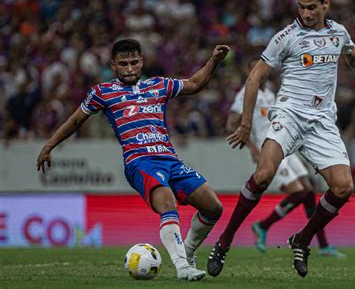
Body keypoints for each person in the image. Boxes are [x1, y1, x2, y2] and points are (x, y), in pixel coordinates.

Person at [208, 0, 355, 278]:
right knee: (263, 174)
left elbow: (353, 57)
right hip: (289, 114)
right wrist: (246, 124)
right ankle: (224, 241)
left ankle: (302, 239)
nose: (306, 13)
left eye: (312, 7)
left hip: (322, 120)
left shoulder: (339, 33)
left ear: (326, 4)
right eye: (301, 7)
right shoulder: (286, 36)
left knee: (344, 187)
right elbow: (253, 78)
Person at [36, 39, 230, 281]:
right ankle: (182, 267)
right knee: (168, 205)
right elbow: (76, 120)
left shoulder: (158, 85)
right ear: (113, 65)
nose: (129, 69)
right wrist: (49, 145)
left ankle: (188, 252)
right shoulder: (102, 92)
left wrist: (214, 60)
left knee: (213, 207)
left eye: (133, 63)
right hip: (140, 162)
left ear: (142, 62)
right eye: (123, 64)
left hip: (170, 159)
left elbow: (195, 84)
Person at [227, 60, 346, 258]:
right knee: (298, 192)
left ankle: (323, 246)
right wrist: (252, 146)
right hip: (269, 150)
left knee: (308, 191)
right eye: (254, 67)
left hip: (286, 144)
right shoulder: (245, 93)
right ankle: (262, 226)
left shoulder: (271, 92)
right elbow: (230, 123)